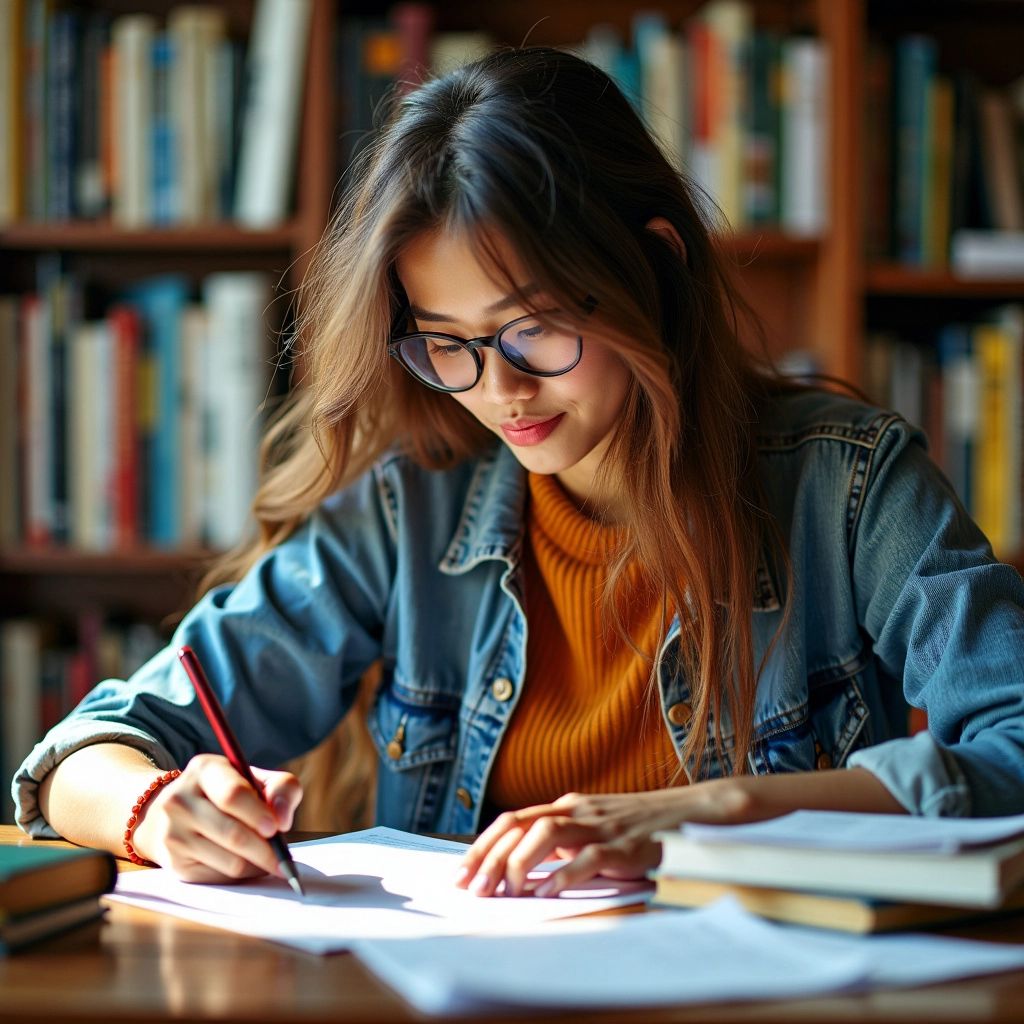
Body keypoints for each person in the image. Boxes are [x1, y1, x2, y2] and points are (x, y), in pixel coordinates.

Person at [14, 47, 1024, 898]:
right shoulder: (410, 512)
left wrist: (710, 813)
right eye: (445, 343)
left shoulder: (845, 488)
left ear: (653, 269)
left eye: (531, 329)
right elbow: (84, 751)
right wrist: (153, 807)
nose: (497, 393)